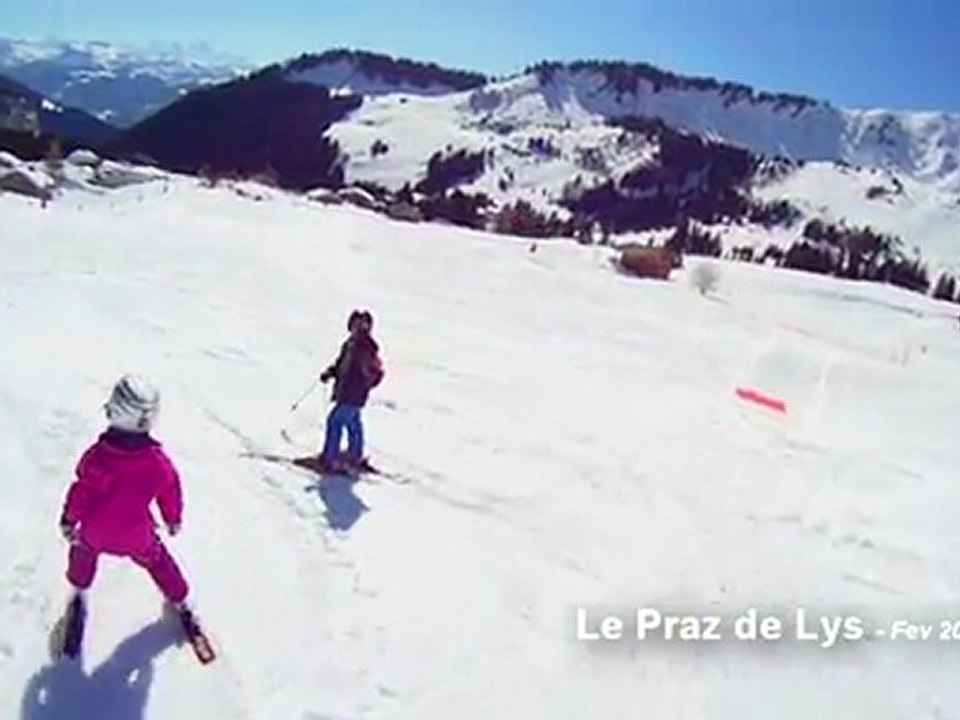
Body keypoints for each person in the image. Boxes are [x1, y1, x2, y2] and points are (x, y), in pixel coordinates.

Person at [59, 375, 193, 615]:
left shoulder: (97, 457)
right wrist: (173, 519)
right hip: (137, 535)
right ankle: (180, 598)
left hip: (94, 531)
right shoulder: (157, 463)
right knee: (158, 561)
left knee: (82, 550)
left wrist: (69, 520)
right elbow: (170, 489)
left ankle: (78, 590)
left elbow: (81, 491)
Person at [318, 309, 384, 473]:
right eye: (356, 324)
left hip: (353, 393)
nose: (358, 327)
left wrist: (365, 382)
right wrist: (331, 372)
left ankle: (330, 458)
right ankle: (355, 454)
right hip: (347, 391)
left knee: (335, 421)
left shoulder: (365, 347)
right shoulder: (350, 344)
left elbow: (370, 370)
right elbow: (342, 365)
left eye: (362, 324)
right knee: (353, 422)